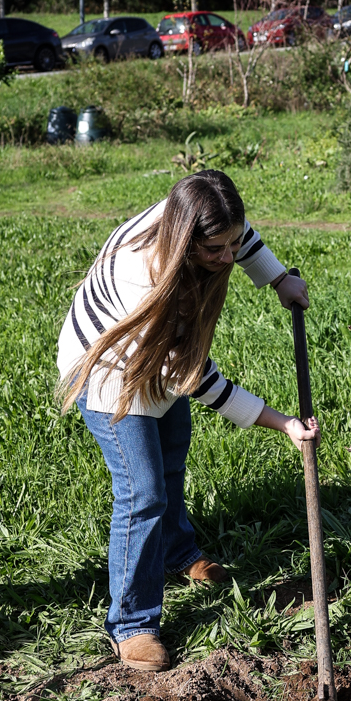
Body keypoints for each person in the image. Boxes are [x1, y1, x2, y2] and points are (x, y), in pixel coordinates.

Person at [57, 170, 318, 674]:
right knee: (143, 492)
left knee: (171, 459)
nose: (227, 258)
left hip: (161, 354)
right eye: (215, 251)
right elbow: (194, 378)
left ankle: (178, 554)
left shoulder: (197, 216)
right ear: (184, 242)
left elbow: (236, 235)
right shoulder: (143, 278)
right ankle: (132, 624)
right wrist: (281, 422)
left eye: (232, 244)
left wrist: (277, 276)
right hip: (109, 366)